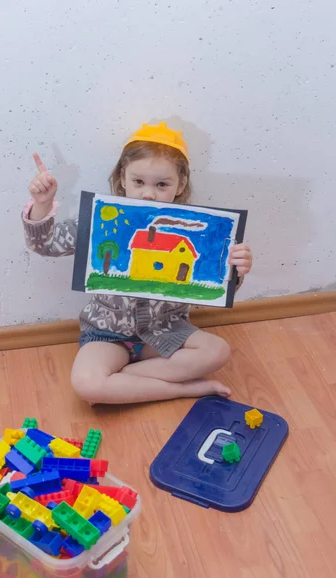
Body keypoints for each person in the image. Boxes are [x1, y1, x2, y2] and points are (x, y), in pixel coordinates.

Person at [22, 122, 252, 405]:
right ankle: (182, 389)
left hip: (167, 330)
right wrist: (42, 204)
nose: (148, 194)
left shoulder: (197, 229)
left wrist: (235, 271)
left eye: (162, 184)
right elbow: (43, 245)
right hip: (107, 335)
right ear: (122, 178)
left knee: (218, 351)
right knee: (85, 384)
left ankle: (123, 381)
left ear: (180, 185)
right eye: (139, 182)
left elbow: (208, 290)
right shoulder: (101, 219)